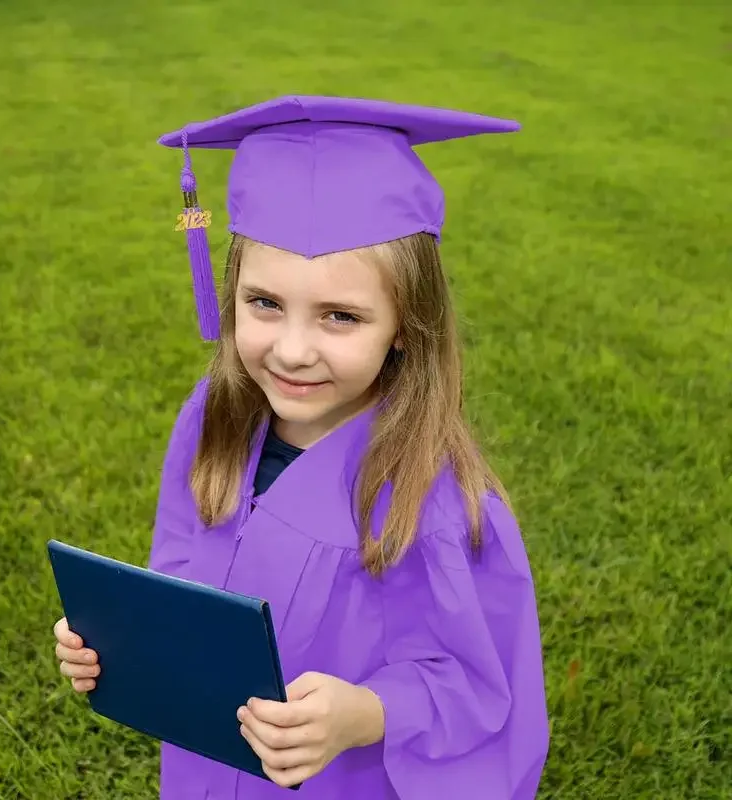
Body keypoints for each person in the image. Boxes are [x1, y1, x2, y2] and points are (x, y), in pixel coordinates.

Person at [53, 95, 550, 799]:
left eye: (340, 317)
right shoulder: (212, 421)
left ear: (406, 326)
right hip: (208, 763)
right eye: (264, 303)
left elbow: (480, 685)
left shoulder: (434, 499)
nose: (292, 350)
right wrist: (115, 637)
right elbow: (178, 577)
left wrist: (368, 712)